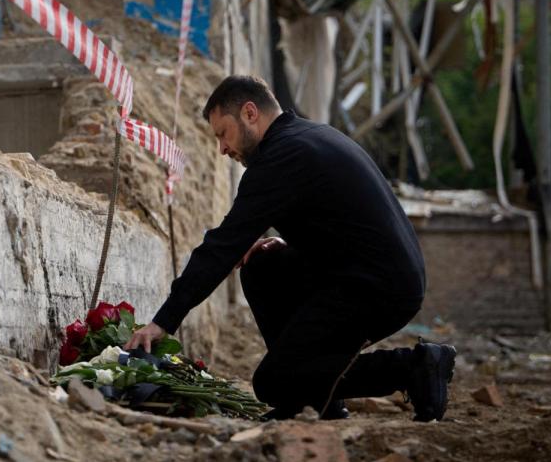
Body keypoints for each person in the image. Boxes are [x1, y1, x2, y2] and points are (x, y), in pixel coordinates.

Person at [125, 75, 456, 422]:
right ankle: (319, 395)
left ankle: (415, 366)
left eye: (223, 133)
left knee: (274, 384)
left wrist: (163, 323)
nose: (222, 149)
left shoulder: (281, 158)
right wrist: (297, 246)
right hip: (362, 272)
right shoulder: (306, 138)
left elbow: (221, 247)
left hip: (378, 288)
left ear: (250, 113)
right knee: (262, 264)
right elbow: (344, 222)